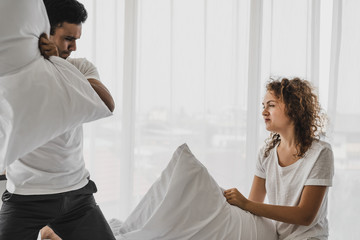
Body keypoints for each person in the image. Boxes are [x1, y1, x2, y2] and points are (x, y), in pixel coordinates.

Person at [0, 0, 116, 239]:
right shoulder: (18, 74)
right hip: (26, 196)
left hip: (77, 195)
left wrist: (58, 63)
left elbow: (106, 103)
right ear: (46, 32)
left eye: (76, 40)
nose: (73, 47)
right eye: (67, 38)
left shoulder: (79, 66)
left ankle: (51, 232)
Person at [224, 77, 334, 239]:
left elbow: (305, 216)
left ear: (294, 109)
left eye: (271, 105)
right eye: (263, 106)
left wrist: (246, 203)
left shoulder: (321, 152)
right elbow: (254, 206)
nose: (263, 112)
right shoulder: (266, 153)